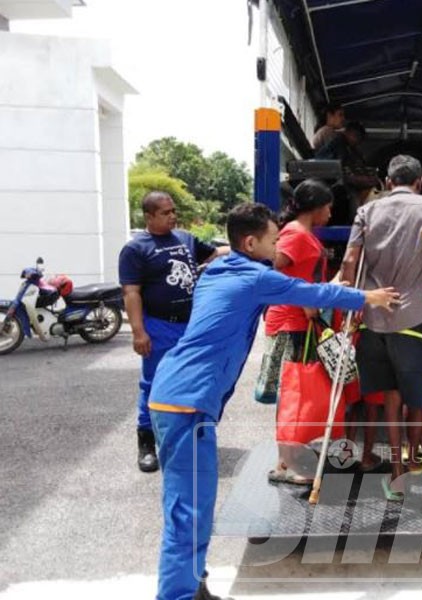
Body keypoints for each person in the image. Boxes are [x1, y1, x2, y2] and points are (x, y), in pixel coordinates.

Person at [147, 203, 398, 600]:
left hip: (177, 395)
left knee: (193, 500)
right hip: (185, 402)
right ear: (250, 242)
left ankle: (192, 583)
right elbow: (310, 292)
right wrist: (368, 296)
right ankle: (177, 593)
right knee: (189, 506)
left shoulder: (219, 270)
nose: (278, 244)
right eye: (272, 239)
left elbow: (297, 288)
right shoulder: (253, 277)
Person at [341, 154, 422, 515]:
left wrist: (348, 305)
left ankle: (396, 476)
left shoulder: (367, 211)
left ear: (388, 182)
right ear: (419, 180)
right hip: (414, 320)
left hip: (374, 321)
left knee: (390, 396)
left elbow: (349, 263)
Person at [119, 191, 228, 473]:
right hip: (159, 326)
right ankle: (146, 444)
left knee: (196, 380)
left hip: (191, 325)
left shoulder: (185, 238)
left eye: (173, 211)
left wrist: (249, 246)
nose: (172, 216)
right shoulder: (135, 249)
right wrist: (138, 331)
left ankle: (191, 438)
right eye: (165, 212)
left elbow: (215, 252)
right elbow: (131, 293)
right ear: (149, 216)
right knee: (153, 384)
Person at [260, 179, 333, 485]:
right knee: (291, 394)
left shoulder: (302, 233)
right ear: (316, 207)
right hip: (290, 322)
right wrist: (299, 297)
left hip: (298, 322)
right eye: (327, 206)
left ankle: (285, 461)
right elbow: (271, 268)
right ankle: (285, 465)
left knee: (296, 394)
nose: (330, 213)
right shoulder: (295, 233)